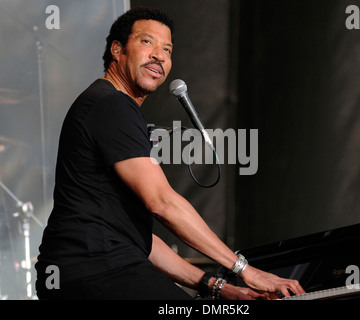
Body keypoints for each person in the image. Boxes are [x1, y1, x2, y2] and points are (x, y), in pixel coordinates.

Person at [35, 7, 305, 300]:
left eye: (167, 49)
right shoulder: (110, 104)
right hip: (95, 271)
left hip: (91, 270)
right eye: (147, 42)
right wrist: (246, 271)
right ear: (117, 49)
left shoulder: (112, 107)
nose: (159, 55)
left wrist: (221, 287)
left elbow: (142, 242)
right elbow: (162, 202)